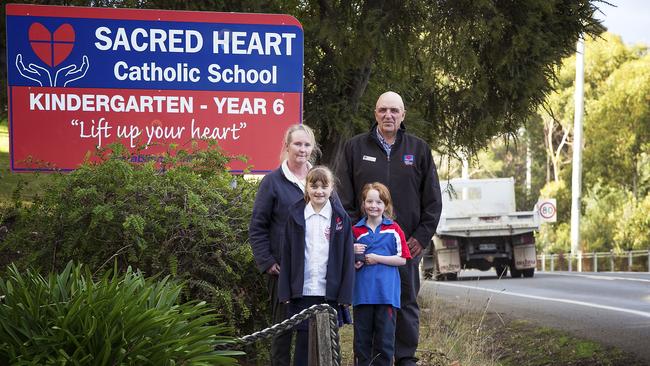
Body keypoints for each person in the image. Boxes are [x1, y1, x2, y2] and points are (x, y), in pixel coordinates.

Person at [336, 91, 443, 365]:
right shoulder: (354, 148)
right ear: (375, 114)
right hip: (365, 245)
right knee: (369, 304)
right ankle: (371, 358)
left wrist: (420, 237)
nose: (388, 115)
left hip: (403, 245)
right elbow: (343, 199)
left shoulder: (418, 150)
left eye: (394, 110)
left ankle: (405, 357)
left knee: (405, 302)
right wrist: (351, 238)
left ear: (403, 115)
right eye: (383, 110)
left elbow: (432, 201)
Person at [249, 124, 318, 366]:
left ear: (313, 148)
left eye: (307, 144)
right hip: (282, 271)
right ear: (286, 147)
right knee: (282, 332)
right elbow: (258, 226)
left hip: (314, 271)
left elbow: (337, 218)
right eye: (297, 144)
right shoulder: (273, 182)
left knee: (308, 333)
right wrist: (267, 262)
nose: (302, 149)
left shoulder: (319, 180)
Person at [278, 166, 355, 366]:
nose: (319, 191)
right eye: (314, 186)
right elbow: (286, 254)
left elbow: (347, 258)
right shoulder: (295, 215)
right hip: (302, 291)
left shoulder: (340, 218)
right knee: (303, 345)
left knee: (327, 344)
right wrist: (285, 291)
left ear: (332, 189)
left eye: (324, 186)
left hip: (329, 292)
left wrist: (345, 295)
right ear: (307, 188)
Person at [353, 182, 412, 366]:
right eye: (369, 201)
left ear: (385, 205)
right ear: (363, 204)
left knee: (384, 343)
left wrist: (377, 258)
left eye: (378, 202)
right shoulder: (356, 231)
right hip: (362, 296)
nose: (373, 206)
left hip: (386, 295)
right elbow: (350, 263)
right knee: (362, 343)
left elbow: (402, 259)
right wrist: (353, 255)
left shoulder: (394, 230)